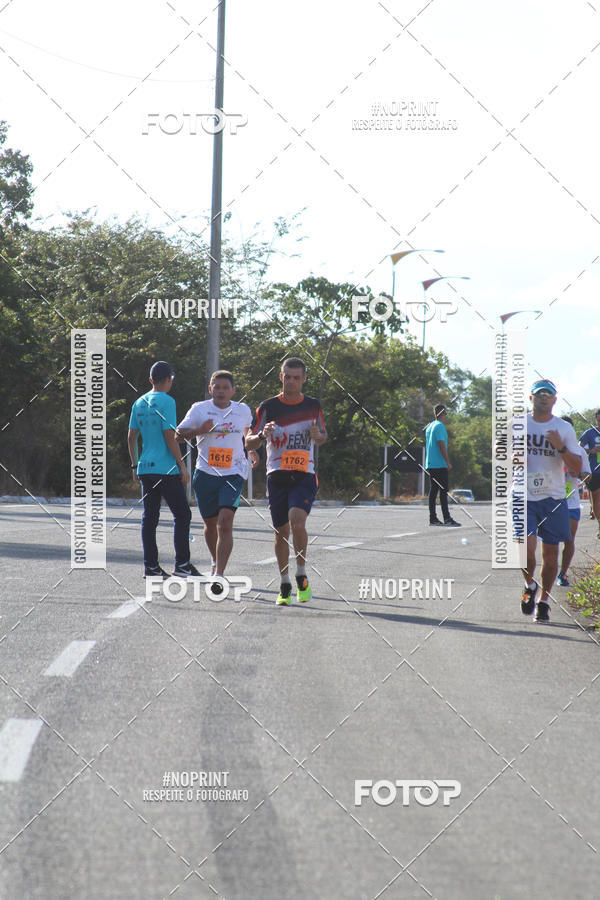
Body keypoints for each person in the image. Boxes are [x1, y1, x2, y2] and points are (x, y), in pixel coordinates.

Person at [246, 357, 327, 606]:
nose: (291, 381)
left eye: (296, 378)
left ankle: (301, 574)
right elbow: (249, 441)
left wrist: (318, 435)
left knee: (297, 522)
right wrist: (262, 435)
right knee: (281, 531)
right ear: (281, 377)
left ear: (303, 379)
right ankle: (284, 582)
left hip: (304, 473)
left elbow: (323, 435)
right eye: (287, 377)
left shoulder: (313, 405)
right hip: (276, 474)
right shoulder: (268, 406)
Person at [176, 370, 255, 582]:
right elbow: (178, 436)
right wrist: (200, 429)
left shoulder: (242, 410)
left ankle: (219, 573)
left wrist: (253, 449)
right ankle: (214, 560)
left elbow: (247, 432)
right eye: (216, 387)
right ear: (210, 389)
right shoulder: (199, 409)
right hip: (206, 473)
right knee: (210, 525)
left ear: (233, 390)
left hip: (234, 472)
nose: (221, 391)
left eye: (225, 388)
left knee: (225, 522)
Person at [128, 360, 199, 578]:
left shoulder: (139, 402)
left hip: (145, 468)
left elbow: (131, 437)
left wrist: (134, 464)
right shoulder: (167, 401)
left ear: (151, 380)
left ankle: (151, 566)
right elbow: (170, 436)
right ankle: (182, 565)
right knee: (182, 514)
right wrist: (181, 465)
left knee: (149, 517)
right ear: (169, 380)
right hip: (165, 468)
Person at [520, 380, 582, 621]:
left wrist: (560, 448)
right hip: (524, 496)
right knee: (525, 548)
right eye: (539, 394)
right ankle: (529, 586)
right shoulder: (519, 424)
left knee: (550, 554)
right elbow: (498, 450)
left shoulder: (564, 429)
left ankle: (543, 601)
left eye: (548, 394)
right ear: (531, 398)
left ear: (555, 400)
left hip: (554, 497)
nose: (543, 397)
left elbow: (576, 468)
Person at [556, 416, 591, 586]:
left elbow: (588, 476)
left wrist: (580, 476)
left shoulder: (579, 451)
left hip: (571, 502)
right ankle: (549, 569)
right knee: (551, 541)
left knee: (569, 540)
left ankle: (562, 573)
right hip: (551, 501)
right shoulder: (549, 448)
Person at [424, 404, 461, 527]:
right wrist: (447, 461)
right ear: (443, 413)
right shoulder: (440, 426)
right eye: (445, 413)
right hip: (439, 464)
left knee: (434, 491)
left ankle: (433, 518)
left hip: (430, 463)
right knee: (443, 491)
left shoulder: (430, 426)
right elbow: (441, 444)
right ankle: (447, 518)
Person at [579, 409, 600, 533]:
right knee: (597, 500)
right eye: (598, 420)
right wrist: (591, 450)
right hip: (595, 471)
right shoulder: (590, 433)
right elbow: (578, 448)